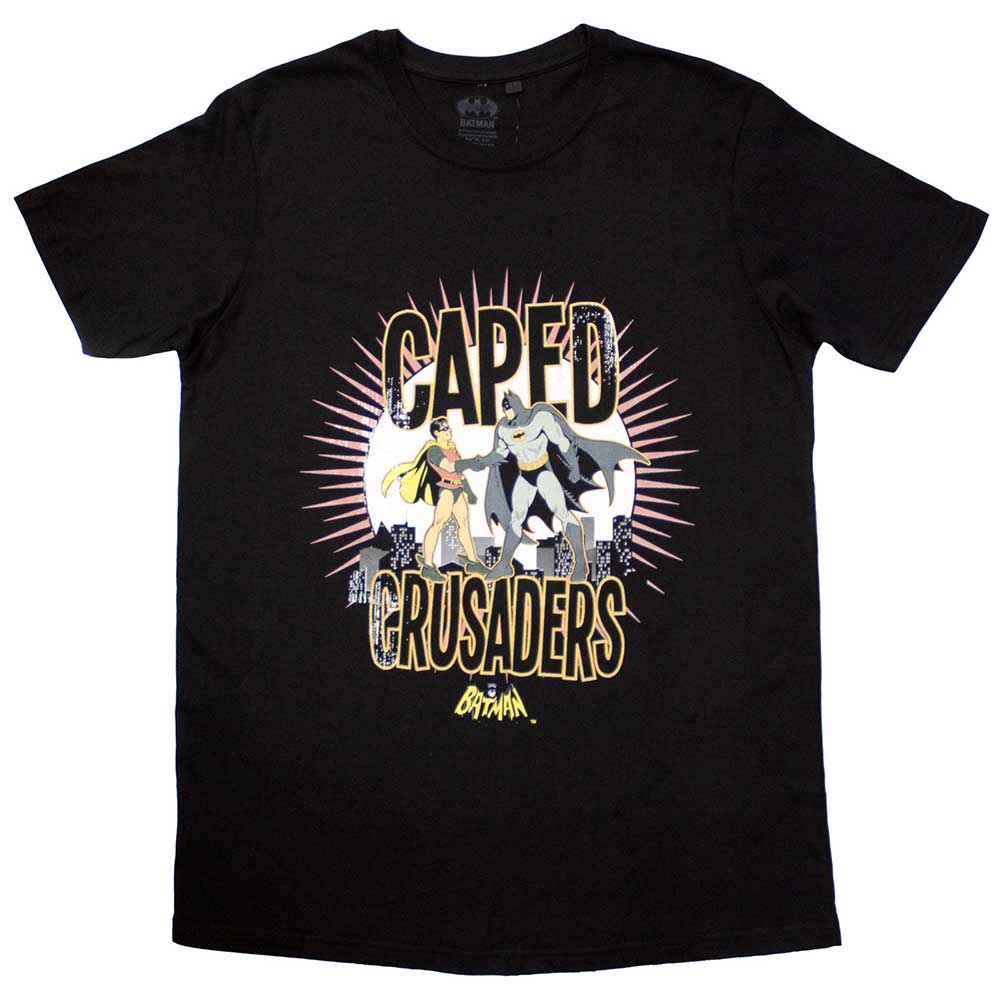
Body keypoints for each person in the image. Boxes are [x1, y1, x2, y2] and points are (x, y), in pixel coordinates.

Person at [381, 416, 488, 581]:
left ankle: (473, 561)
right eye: (444, 429)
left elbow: (459, 473)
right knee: (438, 524)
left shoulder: (452, 448)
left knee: (464, 523)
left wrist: (469, 491)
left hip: (458, 488)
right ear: (436, 433)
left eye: (448, 427)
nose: (448, 431)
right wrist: (471, 462)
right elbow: (449, 467)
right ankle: (428, 565)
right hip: (445, 490)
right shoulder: (434, 450)